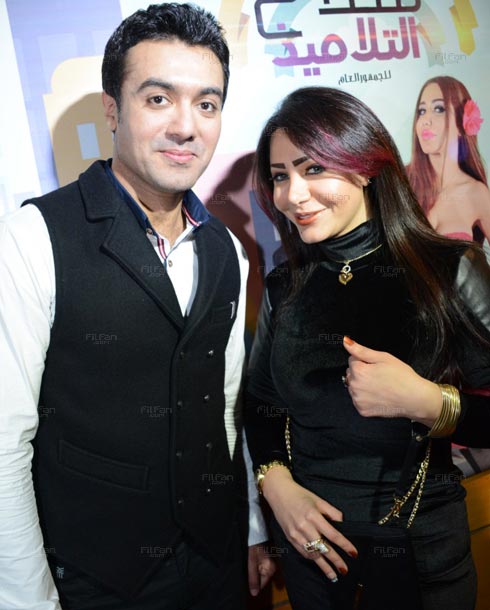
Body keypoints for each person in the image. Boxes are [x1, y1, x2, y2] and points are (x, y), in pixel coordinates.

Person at [0, 4, 274, 609]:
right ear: (111, 110)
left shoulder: (228, 249)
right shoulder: (34, 238)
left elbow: (227, 404)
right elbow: (3, 443)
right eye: (158, 99)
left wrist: (252, 525)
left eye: (207, 104)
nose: (186, 126)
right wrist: (29, 600)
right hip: (97, 580)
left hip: (217, 561)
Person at [244, 86, 490, 610]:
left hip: (420, 551)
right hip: (313, 554)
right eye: (281, 176)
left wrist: (429, 402)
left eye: (313, 169)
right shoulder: (286, 286)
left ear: (363, 167)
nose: (293, 195)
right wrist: (277, 486)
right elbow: (260, 405)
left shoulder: (450, 270)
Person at [407, 75, 490, 244]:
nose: (425, 121)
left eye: (439, 109)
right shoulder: (402, 181)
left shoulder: (475, 193)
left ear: (462, 122)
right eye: (421, 111)